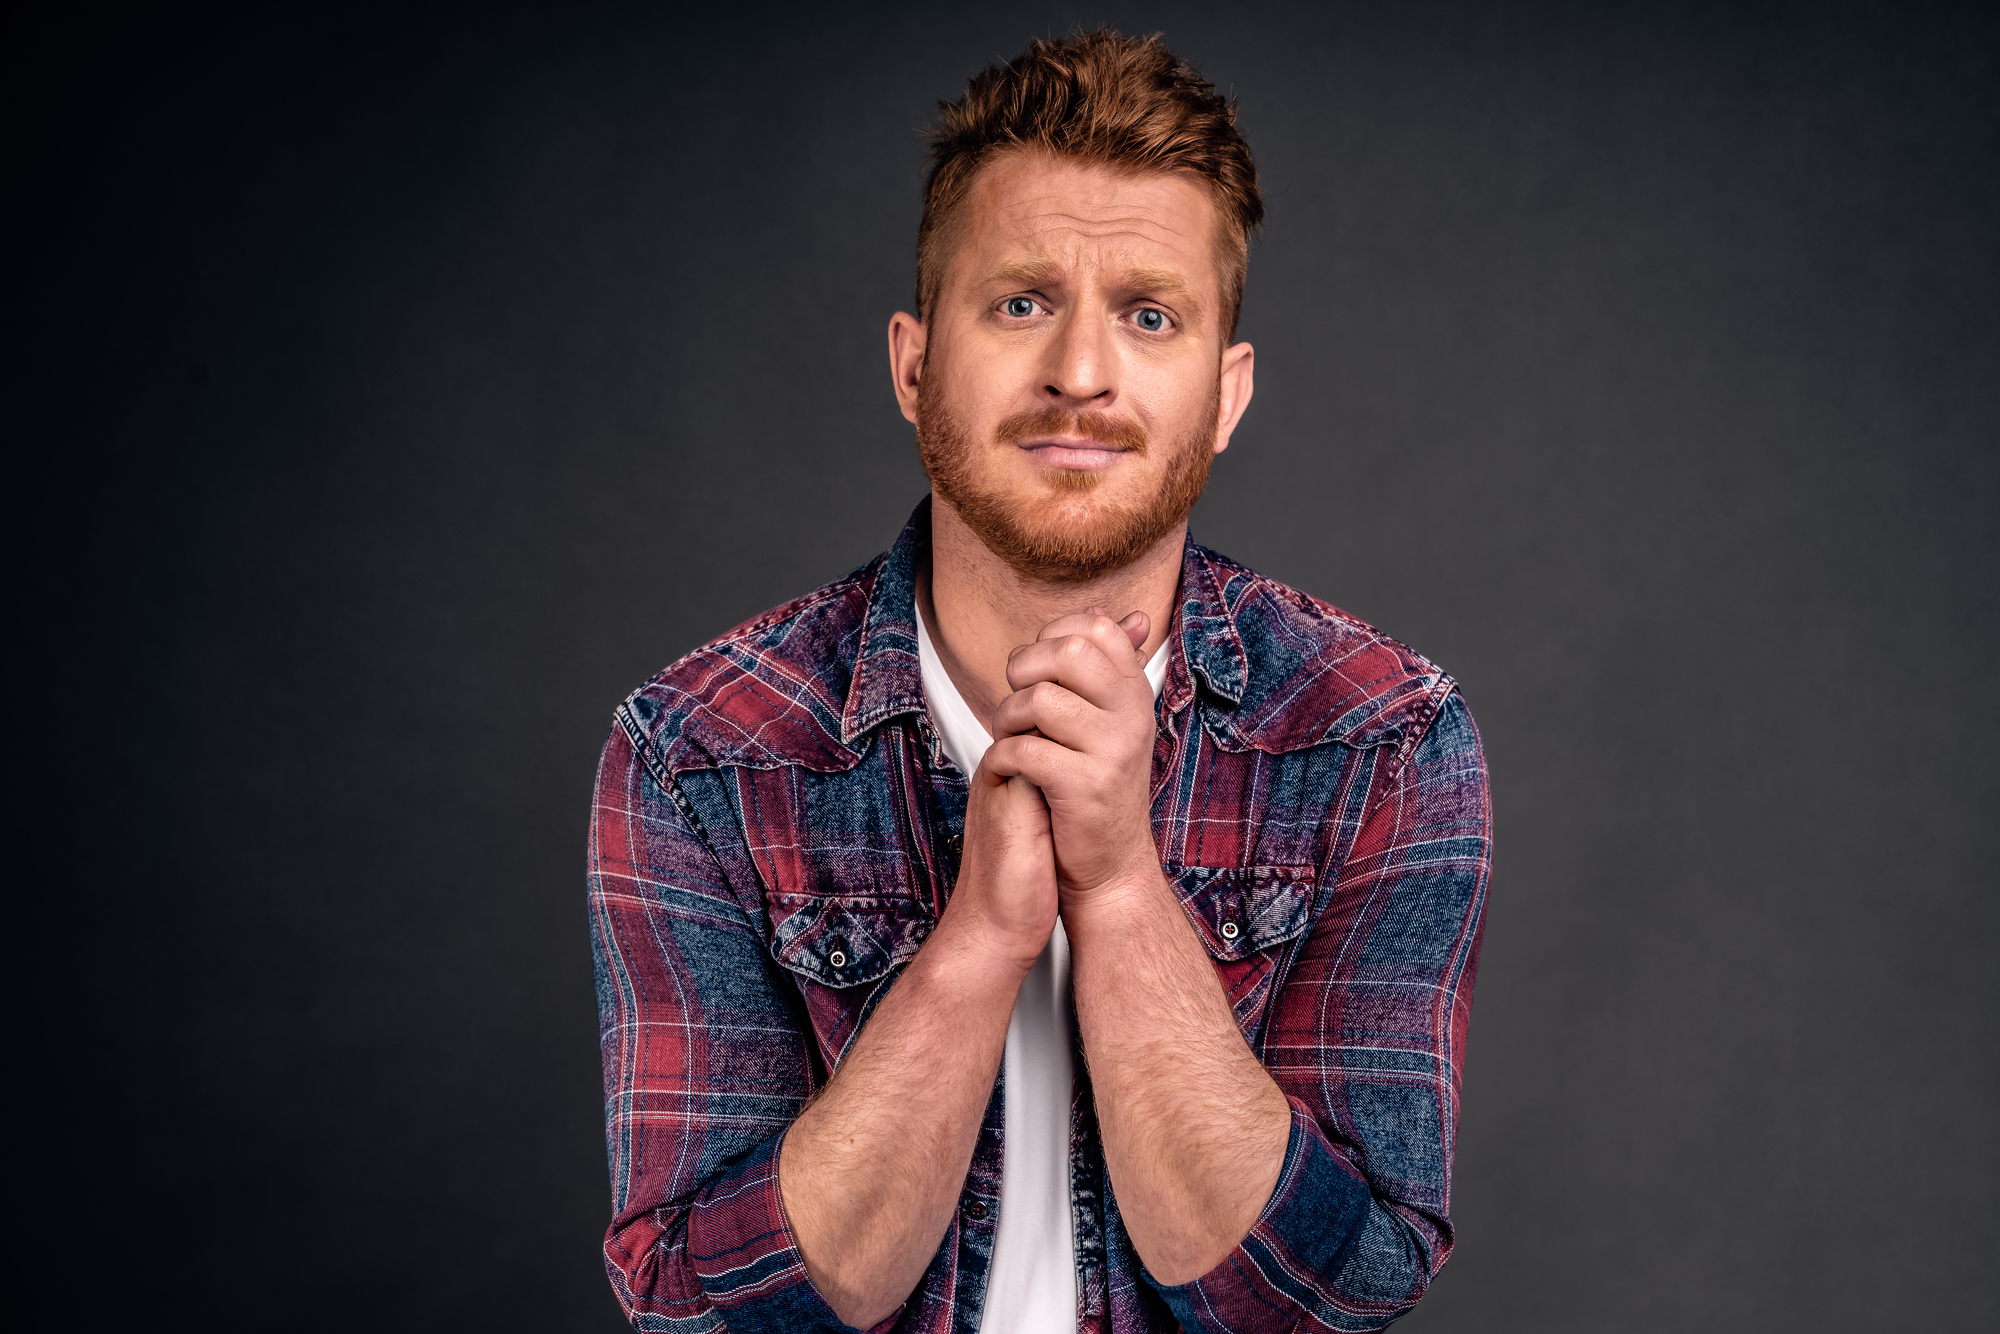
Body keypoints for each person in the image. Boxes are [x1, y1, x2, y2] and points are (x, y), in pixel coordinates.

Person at [588, 28, 1490, 1334]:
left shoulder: (1382, 736)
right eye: (1021, 302)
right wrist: (976, 947)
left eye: (1149, 314)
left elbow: (1326, 1293)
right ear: (913, 363)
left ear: (1226, 394)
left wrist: (1119, 885)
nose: (1080, 372)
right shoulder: (703, 748)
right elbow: (708, 1306)